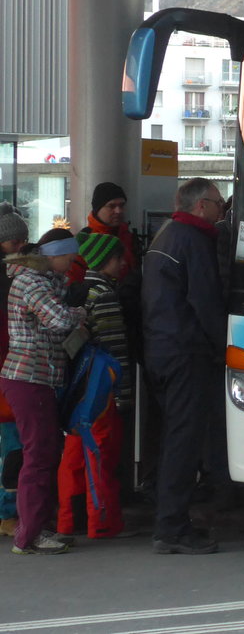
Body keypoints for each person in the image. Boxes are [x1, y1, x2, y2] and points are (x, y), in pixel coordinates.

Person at [140, 178, 226, 555]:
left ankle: (167, 517)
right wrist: (225, 347)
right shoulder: (194, 239)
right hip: (186, 353)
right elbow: (205, 301)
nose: (223, 209)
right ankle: (172, 528)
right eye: (219, 203)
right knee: (184, 442)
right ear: (201, 205)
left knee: (170, 437)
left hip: (159, 349)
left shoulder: (166, 235)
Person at [1, 228, 87, 555]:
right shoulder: (32, 282)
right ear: (53, 256)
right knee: (38, 456)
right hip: (29, 378)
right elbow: (60, 321)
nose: (72, 264)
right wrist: (80, 313)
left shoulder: (41, 280)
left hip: (37, 378)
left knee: (45, 454)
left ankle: (38, 527)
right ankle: (29, 537)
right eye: (69, 258)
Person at [56, 231, 132, 539]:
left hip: (76, 389)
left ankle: (66, 522)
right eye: (118, 258)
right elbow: (116, 349)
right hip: (100, 389)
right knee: (100, 455)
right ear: (105, 261)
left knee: (73, 458)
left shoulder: (75, 290)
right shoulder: (104, 295)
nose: (123, 263)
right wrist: (123, 396)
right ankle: (102, 523)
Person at [0, 203, 29, 538]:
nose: (20, 247)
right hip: (10, 372)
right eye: (14, 242)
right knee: (13, 445)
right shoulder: (11, 280)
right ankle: (9, 513)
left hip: (9, 371)